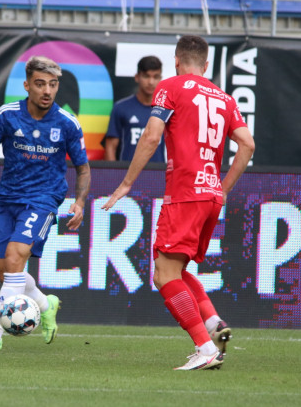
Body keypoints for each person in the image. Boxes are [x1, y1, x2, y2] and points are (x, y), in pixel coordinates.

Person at [102, 35, 255, 370]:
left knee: (163, 274)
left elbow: (152, 135)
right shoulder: (225, 99)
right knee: (177, 269)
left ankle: (204, 347)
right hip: (211, 194)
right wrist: (223, 187)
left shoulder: (170, 87)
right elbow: (247, 144)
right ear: (207, 65)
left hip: (185, 192)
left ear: (175, 61)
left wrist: (127, 183)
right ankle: (213, 324)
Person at [0, 56, 91, 351]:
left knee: (16, 254)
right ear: (27, 85)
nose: (47, 91)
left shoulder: (67, 123)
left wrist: (80, 202)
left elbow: (83, 167)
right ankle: (46, 304)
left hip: (44, 199)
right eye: (40, 84)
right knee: (5, 267)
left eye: (53, 84)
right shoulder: (8, 115)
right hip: (8, 197)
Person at [104, 56, 165, 162]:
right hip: (128, 176)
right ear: (137, 77)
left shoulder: (167, 110)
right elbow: (110, 147)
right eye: (146, 76)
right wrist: (113, 177)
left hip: (158, 174)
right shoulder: (121, 108)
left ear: (160, 78)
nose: (151, 82)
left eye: (155, 77)